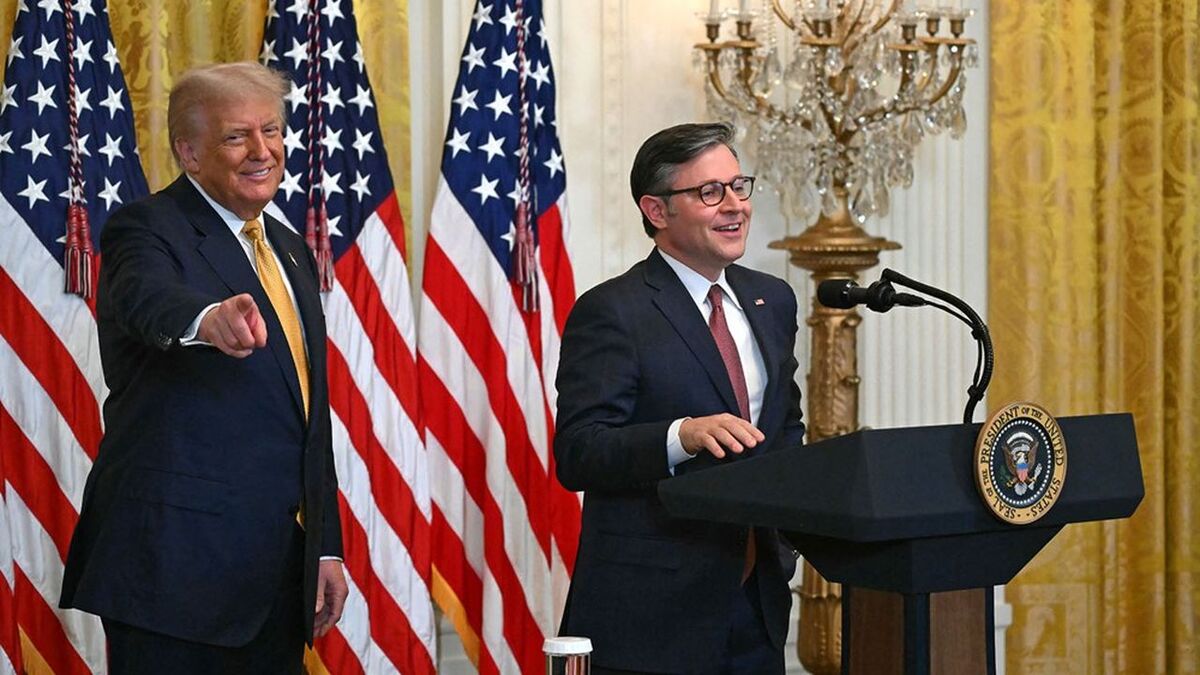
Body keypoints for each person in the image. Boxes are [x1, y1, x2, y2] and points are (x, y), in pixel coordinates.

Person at [59, 62, 347, 674]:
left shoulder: (289, 248)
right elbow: (146, 297)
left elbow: (305, 416)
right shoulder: (146, 227)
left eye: (271, 131)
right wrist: (206, 317)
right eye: (236, 137)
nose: (262, 151)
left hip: (275, 574)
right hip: (175, 575)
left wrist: (325, 547)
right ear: (189, 153)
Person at [554, 122, 806, 674]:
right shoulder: (614, 312)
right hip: (650, 616)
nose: (734, 206)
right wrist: (679, 436)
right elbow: (579, 452)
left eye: (739, 186)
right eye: (709, 192)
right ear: (657, 210)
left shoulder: (773, 299)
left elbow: (786, 427)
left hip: (755, 603)